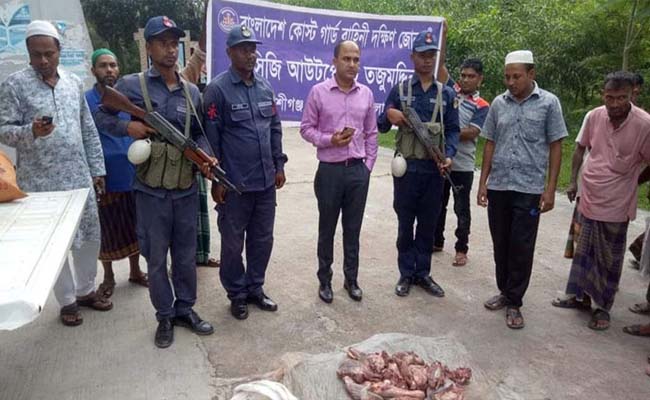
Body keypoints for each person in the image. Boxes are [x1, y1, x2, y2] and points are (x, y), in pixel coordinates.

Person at [96, 16, 216, 348]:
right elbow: (102, 114)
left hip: (185, 190)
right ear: (148, 47)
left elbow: (198, 135)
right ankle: (164, 316)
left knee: (186, 255)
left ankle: (185, 310)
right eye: (161, 42)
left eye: (173, 42)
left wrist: (207, 158)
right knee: (156, 258)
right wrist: (128, 128)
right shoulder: (133, 86)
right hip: (150, 193)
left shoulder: (192, 90)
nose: (169, 49)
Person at [0, 20, 112, 326]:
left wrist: (97, 169)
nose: (43, 60)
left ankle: (87, 290)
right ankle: (67, 301)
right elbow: (4, 131)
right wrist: (31, 132)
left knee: (89, 237)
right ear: (28, 53)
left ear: (59, 50)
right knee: (55, 247)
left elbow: (87, 128)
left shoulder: (73, 83)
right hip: (40, 183)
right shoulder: (14, 86)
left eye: (48, 53)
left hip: (78, 177)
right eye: (36, 55)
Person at [551, 71, 650, 331]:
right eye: (610, 97)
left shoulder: (644, 124)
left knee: (609, 258)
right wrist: (573, 181)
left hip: (617, 203)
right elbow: (580, 148)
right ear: (602, 95)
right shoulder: (594, 116)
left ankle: (602, 308)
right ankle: (579, 298)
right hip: (588, 195)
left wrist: (633, 181)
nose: (615, 103)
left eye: (621, 98)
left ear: (632, 95)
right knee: (583, 253)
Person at [478, 50, 567, 329]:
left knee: (521, 245)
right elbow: (490, 143)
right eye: (507, 76)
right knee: (500, 242)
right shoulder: (498, 104)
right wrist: (483, 183)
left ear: (531, 74)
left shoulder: (549, 104)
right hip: (500, 186)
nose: (511, 82)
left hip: (528, 188)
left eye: (517, 76)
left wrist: (550, 189)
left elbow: (556, 146)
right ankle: (504, 291)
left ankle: (515, 301)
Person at [203, 24, 288, 320]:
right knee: (232, 243)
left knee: (262, 239)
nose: (250, 54)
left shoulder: (265, 88)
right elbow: (211, 140)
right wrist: (217, 180)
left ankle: (255, 288)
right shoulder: (217, 90)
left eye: (253, 48)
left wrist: (279, 165)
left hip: (265, 182)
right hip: (234, 185)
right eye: (243, 48)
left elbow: (274, 128)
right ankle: (236, 294)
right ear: (229, 52)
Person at [377, 30, 460, 298]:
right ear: (412, 57)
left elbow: (454, 129)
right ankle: (405, 273)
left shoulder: (446, 94)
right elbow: (380, 125)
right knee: (405, 223)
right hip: (406, 170)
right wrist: (389, 113)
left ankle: (423, 273)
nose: (427, 60)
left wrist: (450, 155)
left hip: (434, 171)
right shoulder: (400, 91)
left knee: (427, 223)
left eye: (431, 56)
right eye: (422, 55)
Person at [300, 40, 378, 303]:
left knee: (353, 229)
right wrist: (328, 140)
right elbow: (306, 128)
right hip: (330, 172)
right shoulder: (318, 92)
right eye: (346, 59)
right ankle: (325, 281)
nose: (352, 64)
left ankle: (351, 280)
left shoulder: (366, 94)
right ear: (334, 61)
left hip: (357, 171)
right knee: (327, 229)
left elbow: (372, 133)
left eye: (356, 59)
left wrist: (368, 167)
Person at [86, 48, 148, 298]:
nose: (109, 70)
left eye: (113, 65)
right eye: (103, 65)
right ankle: (109, 277)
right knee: (107, 229)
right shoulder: (87, 100)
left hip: (132, 172)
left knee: (134, 226)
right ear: (93, 71)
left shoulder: (128, 97)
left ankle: (135, 271)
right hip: (105, 174)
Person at [433, 58, 489, 266]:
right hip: (441, 161)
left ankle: (461, 248)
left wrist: (444, 129)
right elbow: (439, 66)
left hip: (462, 165)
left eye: (471, 76)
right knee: (439, 203)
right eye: (463, 75)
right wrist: (443, 34)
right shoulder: (450, 90)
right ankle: (436, 241)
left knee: (461, 208)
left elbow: (472, 132)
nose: (465, 80)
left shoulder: (483, 106)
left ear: (480, 79)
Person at [179, 1, 219, 269]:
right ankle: (181, 261)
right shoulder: (143, 87)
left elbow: (201, 52)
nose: (171, 52)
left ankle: (201, 256)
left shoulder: (185, 79)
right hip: (172, 162)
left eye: (174, 46)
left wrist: (210, 9)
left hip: (196, 155)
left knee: (200, 208)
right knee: (179, 218)